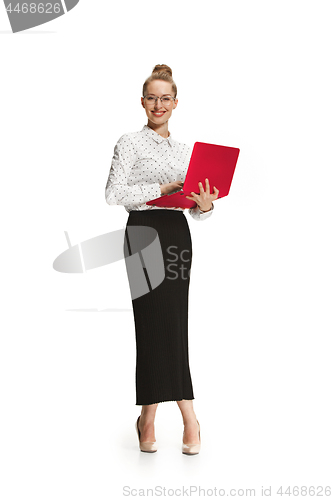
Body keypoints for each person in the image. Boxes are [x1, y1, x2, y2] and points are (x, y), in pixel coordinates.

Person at [105, 64, 219, 454]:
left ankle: (182, 416)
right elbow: (114, 193)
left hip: (175, 235)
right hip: (141, 233)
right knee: (149, 322)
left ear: (175, 103)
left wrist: (205, 206)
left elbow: (195, 209)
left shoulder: (187, 152)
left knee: (174, 320)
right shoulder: (128, 143)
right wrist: (162, 187)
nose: (158, 104)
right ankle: (155, 416)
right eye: (151, 97)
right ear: (142, 101)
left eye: (165, 98)